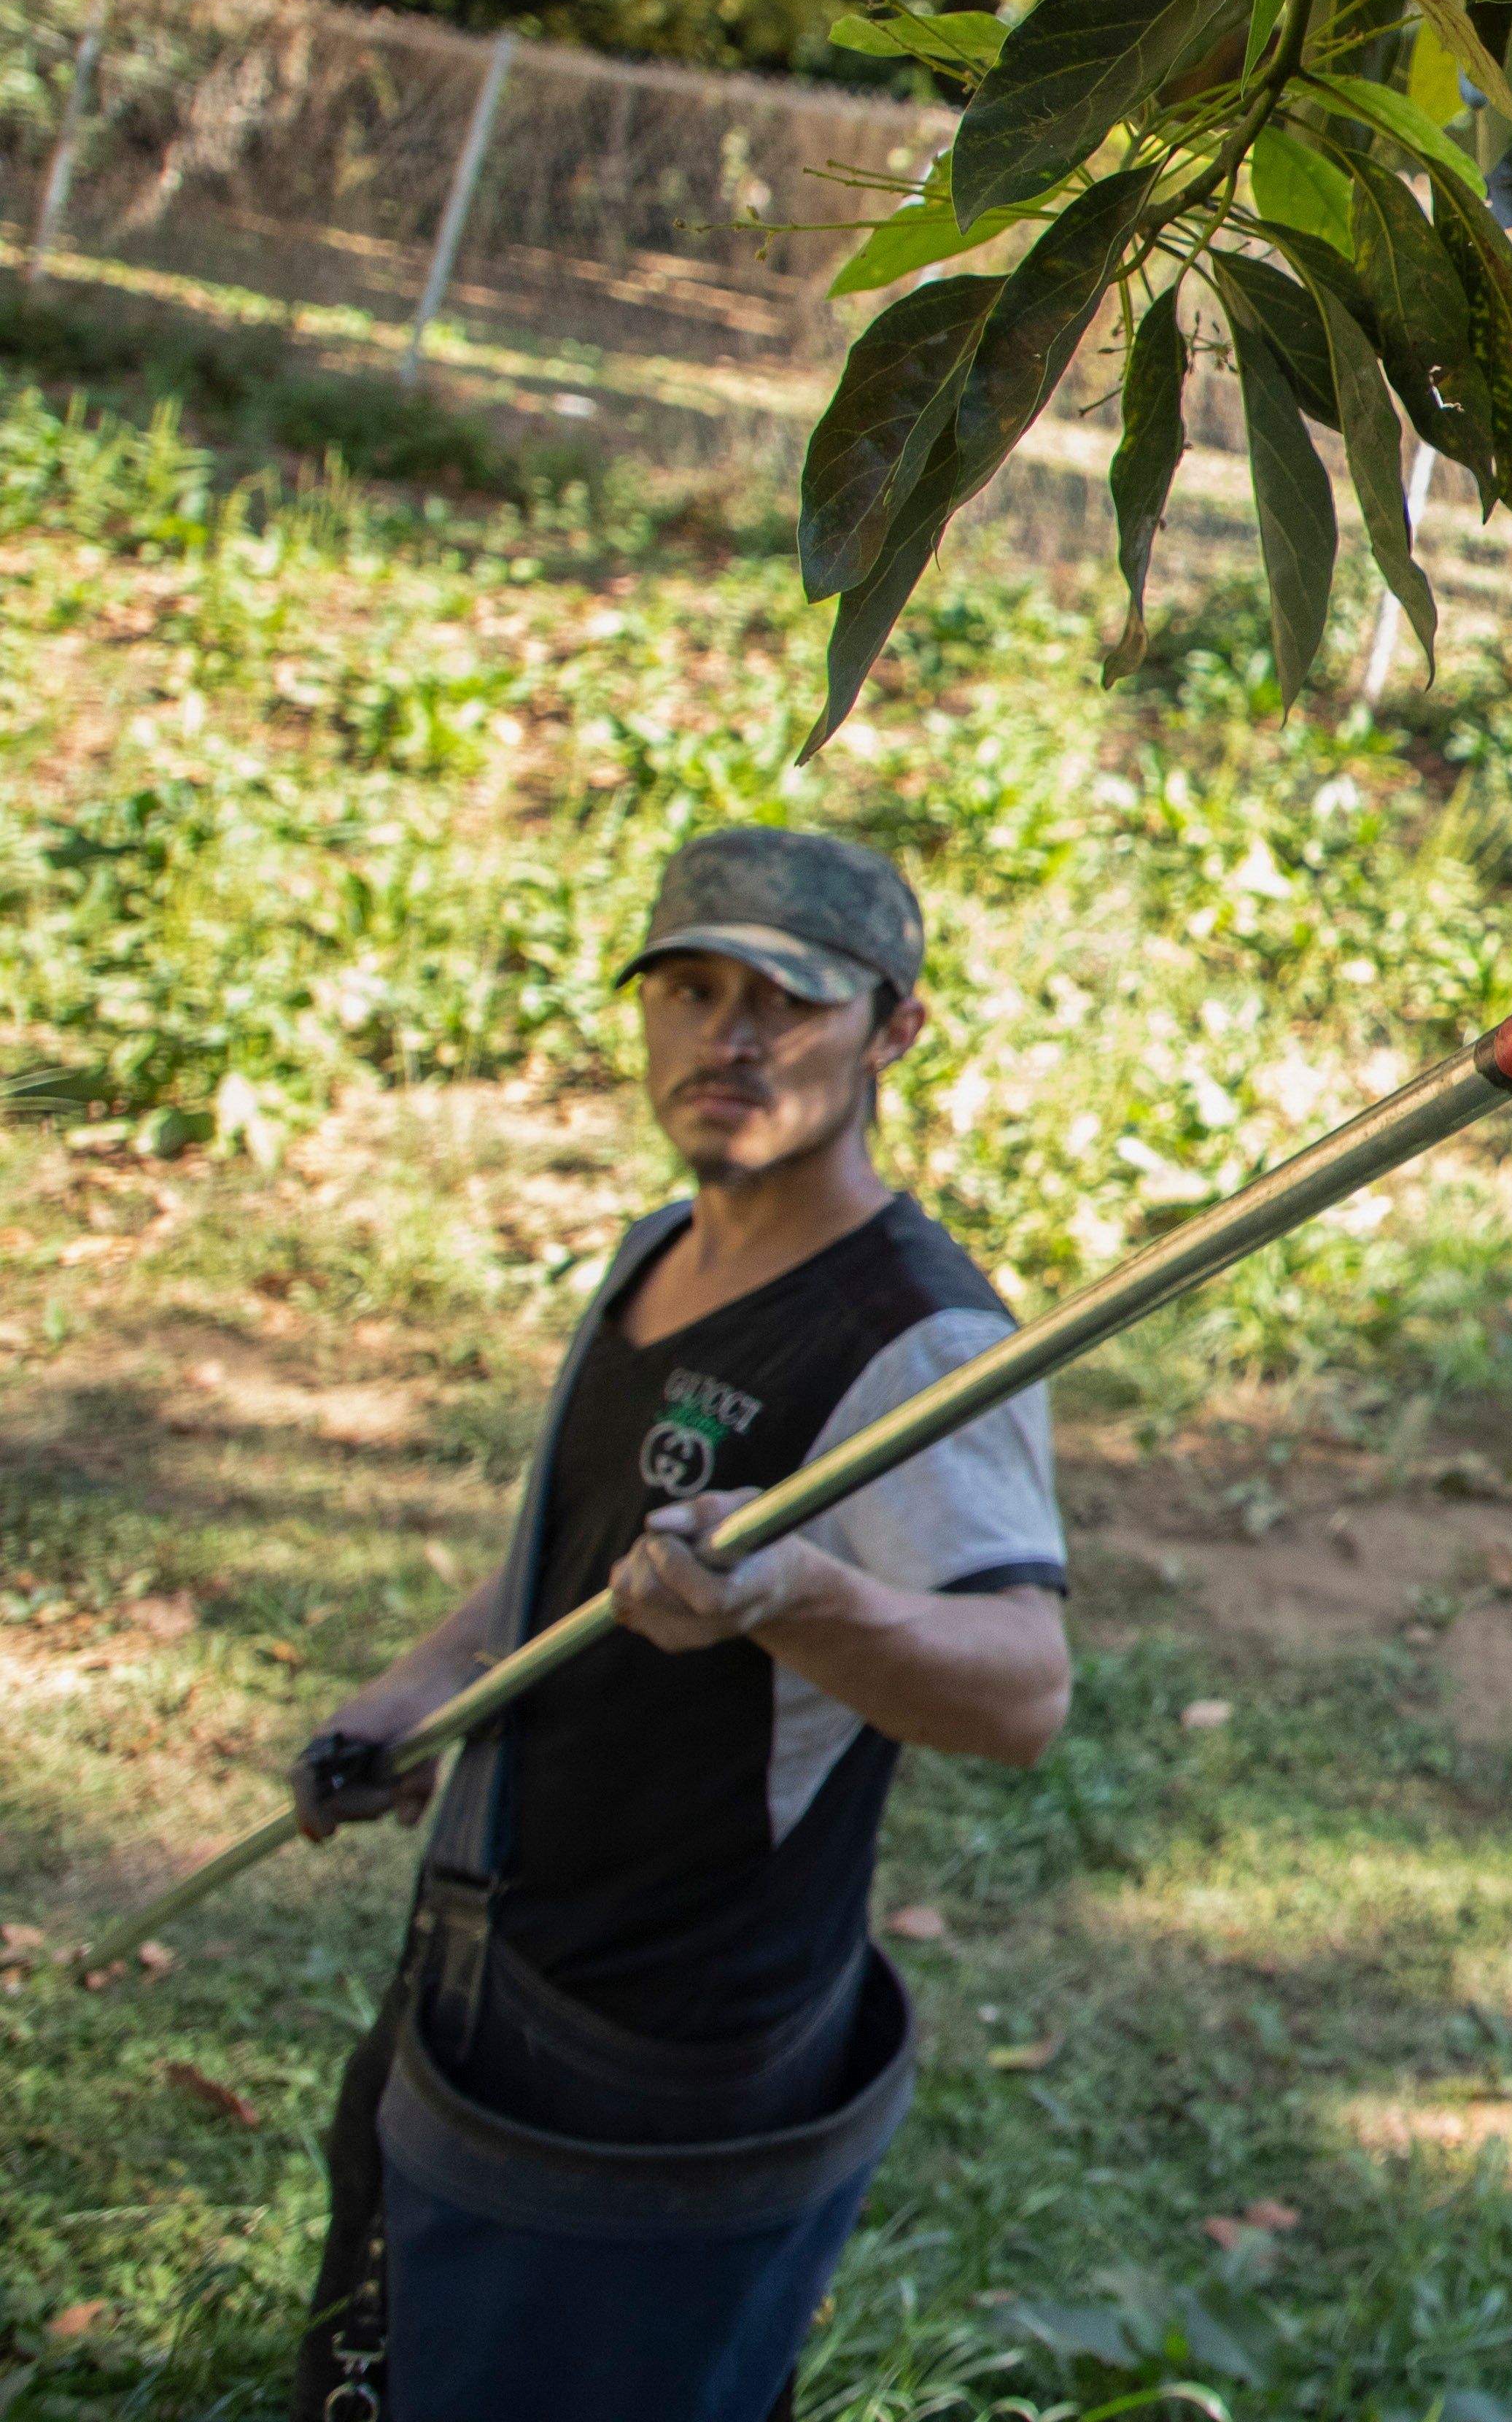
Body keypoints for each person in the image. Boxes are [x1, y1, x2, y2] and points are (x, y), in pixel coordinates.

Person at [285, 828, 1074, 2422]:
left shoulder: (916, 1344)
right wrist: (412, 1697)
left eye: (785, 1002)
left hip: (666, 2037)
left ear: (892, 1027)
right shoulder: (666, 1248)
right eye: (690, 988)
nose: (728, 1040)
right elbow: (566, 1565)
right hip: (497, 1952)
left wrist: (797, 1590)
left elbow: (1023, 1690)